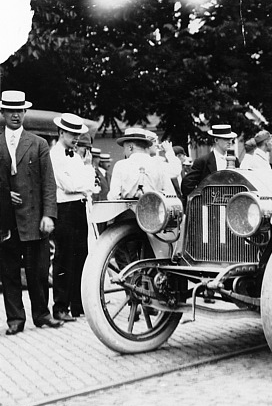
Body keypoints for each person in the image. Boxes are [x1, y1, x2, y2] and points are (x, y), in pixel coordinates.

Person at [0, 90, 62, 334]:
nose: (16, 115)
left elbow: (48, 183)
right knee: (9, 271)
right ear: (3, 113)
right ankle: (15, 319)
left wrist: (49, 215)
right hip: (5, 219)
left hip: (34, 218)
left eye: (20, 110)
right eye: (10, 111)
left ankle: (42, 314)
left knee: (38, 271)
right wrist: (4, 197)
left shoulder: (38, 144)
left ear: (24, 112)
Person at [50, 113, 97, 320]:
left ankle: (77, 305)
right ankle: (60, 306)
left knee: (80, 255)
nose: (76, 138)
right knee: (64, 258)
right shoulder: (55, 156)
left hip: (79, 208)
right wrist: (86, 178)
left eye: (78, 134)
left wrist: (84, 180)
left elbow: (90, 185)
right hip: (65, 209)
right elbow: (70, 186)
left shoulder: (76, 156)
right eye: (72, 133)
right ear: (61, 132)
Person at [107, 127, 176, 200]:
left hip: (128, 209)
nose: (124, 152)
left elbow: (114, 196)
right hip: (155, 208)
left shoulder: (120, 165)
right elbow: (170, 194)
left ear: (130, 147)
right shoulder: (159, 164)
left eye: (124, 148)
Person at [181, 124, 239, 198]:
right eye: (226, 139)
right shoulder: (202, 161)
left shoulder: (234, 160)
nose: (230, 142)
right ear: (216, 140)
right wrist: (199, 200)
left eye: (231, 139)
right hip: (210, 206)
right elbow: (187, 185)